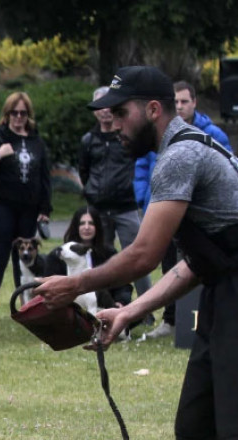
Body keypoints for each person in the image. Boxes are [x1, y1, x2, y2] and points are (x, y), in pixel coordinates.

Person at [35, 66, 238, 440]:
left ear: (153, 109)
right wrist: (130, 311)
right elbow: (197, 260)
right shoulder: (183, 154)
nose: (113, 124)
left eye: (121, 113)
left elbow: (143, 254)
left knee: (235, 438)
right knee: (196, 434)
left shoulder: (181, 155)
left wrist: (74, 286)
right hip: (223, 295)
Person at [136, 80, 233, 340]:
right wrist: (140, 197)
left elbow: (141, 257)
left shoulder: (200, 141)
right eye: (176, 101)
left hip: (205, 234)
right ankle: (170, 320)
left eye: (184, 101)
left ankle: (183, 321)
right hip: (166, 216)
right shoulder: (161, 141)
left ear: (194, 103)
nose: (180, 106)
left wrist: (78, 283)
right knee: (175, 264)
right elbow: (144, 170)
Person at [0, 91, 52, 318]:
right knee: (0, 254)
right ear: (6, 114)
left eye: (23, 113)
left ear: (29, 115)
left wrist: (45, 209)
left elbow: (45, 177)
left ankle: (25, 305)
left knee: (25, 257)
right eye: (14, 113)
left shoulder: (36, 140)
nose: (18, 117)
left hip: (29, 206)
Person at [79, 86, 151, 302]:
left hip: (126, 207)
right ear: (95, 111)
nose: (105, 111)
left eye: (109, 106)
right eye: (100, 106)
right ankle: (106, 304)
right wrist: (93, 191)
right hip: (99, 210)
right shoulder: (88, 140)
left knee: (138, 258)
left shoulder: (127, 137)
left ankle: (145, 306)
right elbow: (84, 171)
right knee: (100, 261)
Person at [45, 206, 133, 308]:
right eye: (82, 223)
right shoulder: (58, 256)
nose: (86, 227)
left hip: (103, 306)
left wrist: (121, 302)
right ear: (76, 226)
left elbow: (123, 284)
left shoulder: (109, 253)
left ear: (97, 226)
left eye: (91, 223)